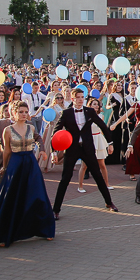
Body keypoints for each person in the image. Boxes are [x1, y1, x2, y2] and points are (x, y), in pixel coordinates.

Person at [0, 102, 55, 248]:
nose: (24, 114)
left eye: (26, 112)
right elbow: (7, 150)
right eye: (20, 112)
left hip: (30, 163)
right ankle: (5, 234)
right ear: (14, 113)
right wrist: (5, 167)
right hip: (15, 163)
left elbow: (38, 139)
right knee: (11, 198)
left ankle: (45, 229)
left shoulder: (31, 127)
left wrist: (43, 150)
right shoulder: (7, 130)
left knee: (38, 195)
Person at [50, 88, 119, 218]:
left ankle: (109, 203)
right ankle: (56, 209)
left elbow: (103, 126)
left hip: (87, 148)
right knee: (65, 178)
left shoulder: (90, 111)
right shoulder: (66, 113)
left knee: (98, 175)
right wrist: (53, 151)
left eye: (82, 97)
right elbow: (56, 132)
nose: (81, 99)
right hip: (72, 149)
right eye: (78, 97)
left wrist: (110, 143)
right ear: (73, 98)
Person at [77, 97, 115, 194]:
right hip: (89, 140)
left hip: (99, 139)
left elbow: (104, 129)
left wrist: (108, 143)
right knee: (84, 165)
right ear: (89, 105)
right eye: (94, 104)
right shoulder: (84, 116)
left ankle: (107, 184)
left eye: (97, 104)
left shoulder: (101, 116)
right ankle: (80, 186)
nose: (96, 106)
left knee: (102, 164)